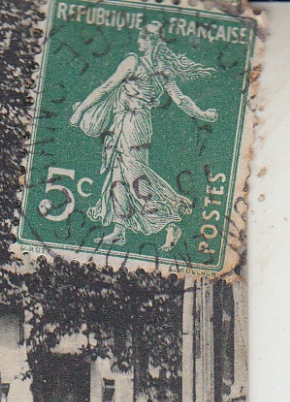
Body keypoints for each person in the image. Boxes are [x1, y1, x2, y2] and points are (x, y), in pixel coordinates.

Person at [70, 20, 218, 249]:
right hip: (135, 123)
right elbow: (180, 100)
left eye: (141, 37)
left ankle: (169, 224)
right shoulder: (162, 69)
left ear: (148, 40)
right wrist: (203, 114)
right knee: (117, 174)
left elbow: (106, 88)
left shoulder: (132, 62)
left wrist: (80, 111)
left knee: (133, 175)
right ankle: (119, 230)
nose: (138, 41)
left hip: (130, 123)